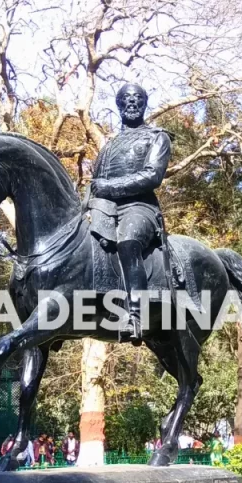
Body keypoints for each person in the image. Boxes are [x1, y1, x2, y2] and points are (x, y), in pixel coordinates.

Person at [88, 83, 172, 343]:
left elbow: (152, 175)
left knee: (128, 241)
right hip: (105, 208)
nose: (132, 103)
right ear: (119, 105)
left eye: (137, 99)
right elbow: (95, 183)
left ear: (145, 104)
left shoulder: (157, 137)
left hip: (139, 207)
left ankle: (135, 317)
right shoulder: (109, 145)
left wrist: (109, 187)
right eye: (126, 99)